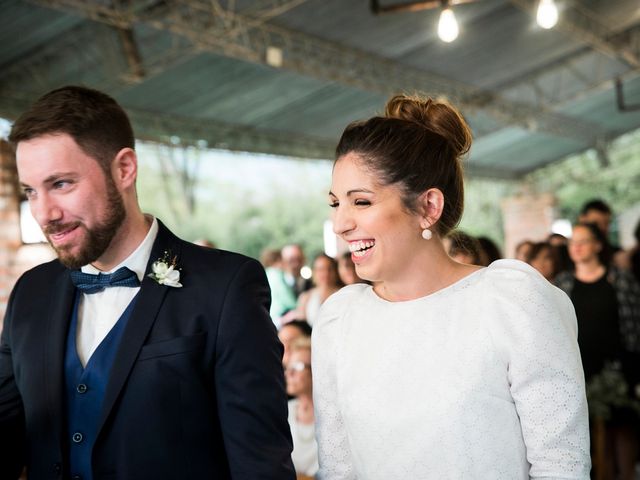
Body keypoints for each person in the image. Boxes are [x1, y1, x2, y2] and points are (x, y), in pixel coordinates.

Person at [0, 86, 295, 479]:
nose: (44, 213)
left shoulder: (226, 288)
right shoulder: (30, 292)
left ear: (124, 169)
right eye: (30, 192)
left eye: (61, 184)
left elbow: (259, 466)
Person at [313, 94, 590, 478]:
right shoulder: (339, 321)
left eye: (360, 202)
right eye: (334, 204)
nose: (341, 223)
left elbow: (561, 466)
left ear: (428, 207)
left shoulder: (510, 302)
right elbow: (337, 467)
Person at [554, 222, 640, 479]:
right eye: (573, 242)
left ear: (598, 245)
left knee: (623, 434)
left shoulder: (620, 279)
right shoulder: (562, 283)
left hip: (618, 368)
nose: (576, 247)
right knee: (588, 442)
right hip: (578, 370)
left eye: (583, 240)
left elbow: (634, 325)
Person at [285, 337, 319, 479]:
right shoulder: (284, 412)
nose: (288, 374)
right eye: (288, 368)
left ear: (316, 369)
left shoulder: (332, 413)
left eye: (297, 366)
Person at [286, 254, 342, 327]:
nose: (325, 273)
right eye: (321, 269)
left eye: (329, 269)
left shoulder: (344, 293)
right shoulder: (305, 297)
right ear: (314, 272)